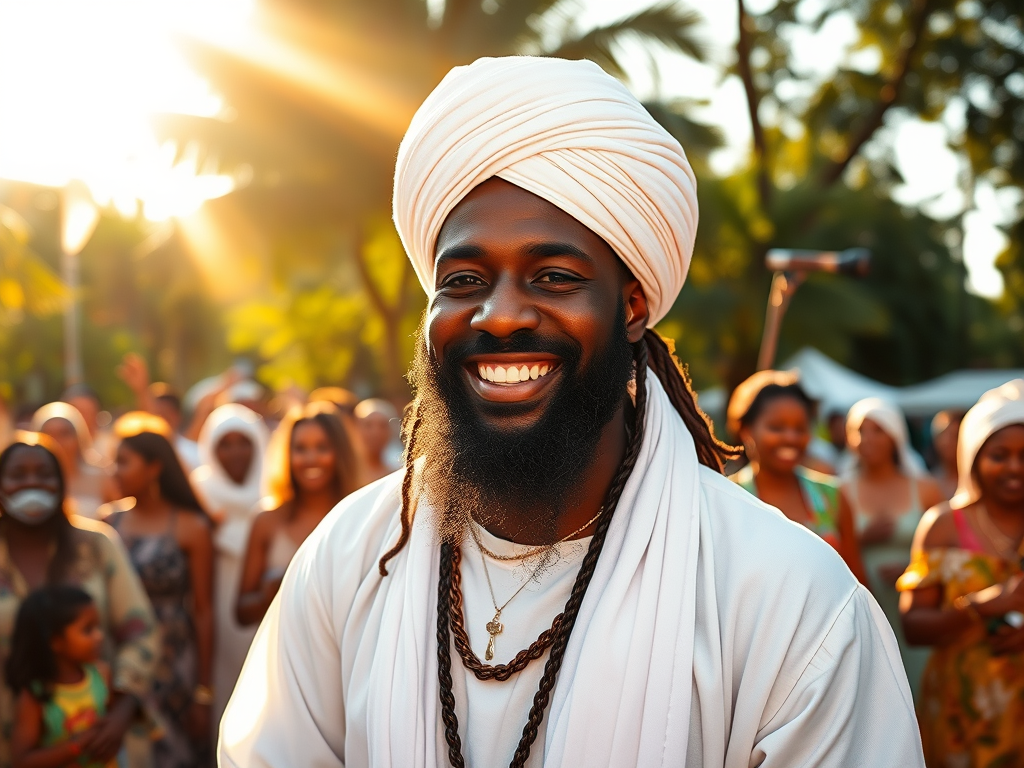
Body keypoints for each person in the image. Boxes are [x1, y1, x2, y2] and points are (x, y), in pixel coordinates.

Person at [221, 57, 923, 768]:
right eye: (463, 280)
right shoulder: (347, 563)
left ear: (632, 306)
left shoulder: (786, 599)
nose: (498, 317)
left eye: (553, 276)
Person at [0, 434, 158, 768]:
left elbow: (141, 630)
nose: (32, 482)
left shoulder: (97, 545)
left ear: (61, 482)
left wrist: (122, 707)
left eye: (44, 474)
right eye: (18, 474)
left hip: (100, 737)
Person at [899, 379, 1024, 766]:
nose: (1014, 467)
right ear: (972, 457)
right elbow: (913, 627)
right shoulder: (943, 525)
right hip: (959, 714)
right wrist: (979, 606)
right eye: (999, 454)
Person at [105, 420, 214, 768]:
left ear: (154, 468)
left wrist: (203, 692)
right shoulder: (107, 524)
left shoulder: (190, 527)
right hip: (122, 660)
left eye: (124, 461)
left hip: (175, 664)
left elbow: (203, 610)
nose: (114, 470)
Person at [843, 397, 944, 697]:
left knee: (919, 691)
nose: (868, 439)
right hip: (861, 610)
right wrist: (861, 539)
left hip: (914, 609)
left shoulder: (925, 488)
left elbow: (948, 548)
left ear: (896, 435)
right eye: (860, 430)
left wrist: (913, 569)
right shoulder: (838, 491)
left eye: (878, 430)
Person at [727, 371, 866, 583]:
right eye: (776, 427)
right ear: (746, 430)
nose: (791, 438)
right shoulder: (728, 499)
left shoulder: (831, 497)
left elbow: (857, 582)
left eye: (800, 428)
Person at [234, 402, 361, 627]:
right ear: (287, 455)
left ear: (340, 453)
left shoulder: (360, 517)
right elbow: (241, 613)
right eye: (300, 449)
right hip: (284, 652)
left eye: (322, 447)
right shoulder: (266, 520)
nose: (311, 458)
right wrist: (271, 593)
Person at [189, 404, 269, 726]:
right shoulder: (198, 494)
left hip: (261, 616)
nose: (235, 452)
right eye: (225, 443)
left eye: (244, 441)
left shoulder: (274, 493)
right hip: (211, 620)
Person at [7, 586, 117, 768]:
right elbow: (22, 761)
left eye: (98, 627)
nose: (99, 636)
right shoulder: (36, 696)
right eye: (88, 630)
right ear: (55, 642)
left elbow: (116, 717)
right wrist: (76, 746)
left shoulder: (101, 674)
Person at [30, 404, 110, 519]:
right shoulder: (29, 481)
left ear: (79, 437)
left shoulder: (102, 477)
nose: (57, 441)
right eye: (48, 434)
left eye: (64, 433)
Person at [353, 398, 400, 484]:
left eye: (383, 426)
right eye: (368, 425)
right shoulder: (346, 473)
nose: (376, 433)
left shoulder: (399, 472)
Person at [930, 409, 963, 501]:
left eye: (954, 435)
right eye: (941, 434)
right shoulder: (926, 480)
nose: (947, 442)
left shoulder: (978, 482)